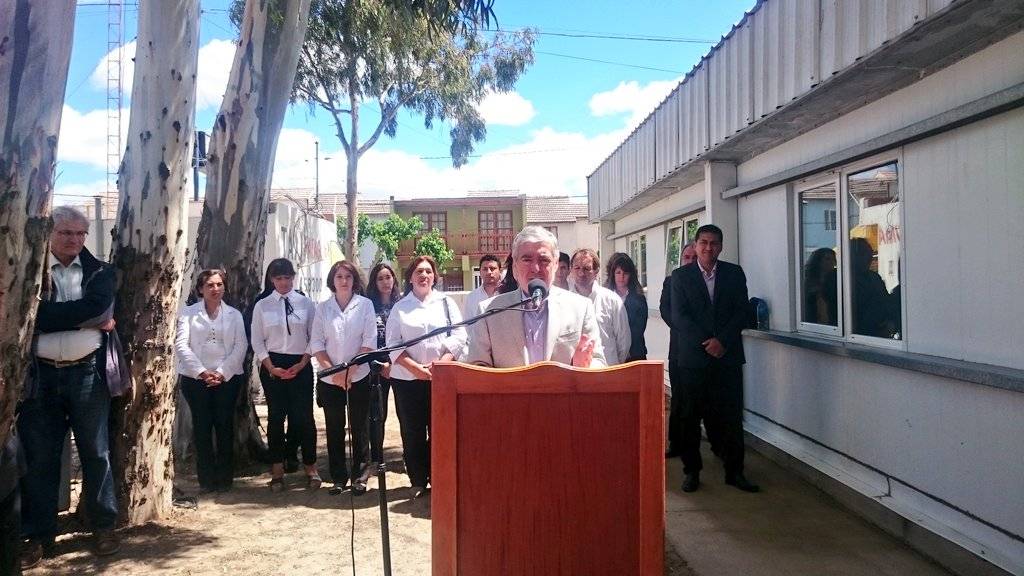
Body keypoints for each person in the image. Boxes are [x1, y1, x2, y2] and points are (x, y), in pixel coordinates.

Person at [19, 206, 120, 568]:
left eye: (80, 233)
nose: (74, 240)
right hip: (40, 376)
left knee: (96, 453)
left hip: (87, 373)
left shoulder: (101, 271)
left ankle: (103, 526)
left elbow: (98, 309)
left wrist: (47, 318)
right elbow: (30, 314)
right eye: (65, 233)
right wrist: (83, 319)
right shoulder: (29, 270)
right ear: (49, 233)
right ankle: (38, 535)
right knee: (40, 458)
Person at [670, 224, 759, 493]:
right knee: (690, 418)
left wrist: (722, 341)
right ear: (696, 246)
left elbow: (741, 312)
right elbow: (679, 316)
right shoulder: (680, 277)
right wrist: (707, 342)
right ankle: (691, 472)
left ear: (721, 246)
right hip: (693, 359)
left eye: (714, 243)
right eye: (704, 242)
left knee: (731, 417)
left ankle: (735, 472)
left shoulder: (734, 273)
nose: (708, 248)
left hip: (726, 357)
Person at [385, 256, 468, 499]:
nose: (424, 276)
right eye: (419, 272)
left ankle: (439, 478)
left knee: (441, 430)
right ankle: (418, 480)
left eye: (428, 272)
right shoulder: (400, 307)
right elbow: (393, 344)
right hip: (407, 380)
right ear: (410, 277)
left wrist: (441, 364)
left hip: (440, 377)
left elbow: (460, 335)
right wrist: (415, 369)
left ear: (434, 276)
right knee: (412, 431)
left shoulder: (446, 303)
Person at [468, 226, 606, 369]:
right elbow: (476, 367)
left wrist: (584, 367)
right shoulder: (489, 311)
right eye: (527, 260)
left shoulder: (581, 308)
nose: (535, 268)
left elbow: (598, 362)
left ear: (555, 264)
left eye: (544, 260)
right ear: (515, 266)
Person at [175, 269, 247, 494]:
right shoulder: (188, 313)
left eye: (219, 284)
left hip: (228, 379)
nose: (215, 289)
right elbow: (181, 345)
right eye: (210, 285)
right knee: (202, 428)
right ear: (200, 289)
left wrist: (222, 373)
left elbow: (241, 346)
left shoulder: (234, 315)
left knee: (225, 426)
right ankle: (206, 480)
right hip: (196, 380)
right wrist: (202, 372)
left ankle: (225, 479)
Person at [250, 258, 319, 492]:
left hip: (300, 363)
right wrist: (270, 367)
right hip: (273, 364)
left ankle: (310, 466)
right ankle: (277, 469)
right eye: (279, 278)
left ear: (293, 278)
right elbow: (257, 340)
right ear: (272, 280)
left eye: (287, 278)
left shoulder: (305, 303)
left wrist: (302, 363)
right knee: (276, 418)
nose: (283, 282)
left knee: (304, 418)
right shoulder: (262, 305)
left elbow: (314, 336)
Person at [310, 261, 377, 495]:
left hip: (358, 376)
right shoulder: (323, 308)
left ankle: (360, 476)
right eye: (339, 276)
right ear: (333, 280)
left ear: (354, 280)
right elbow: (317, 343)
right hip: (331, 380)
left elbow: (369, 341)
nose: (344, 281)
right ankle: (338, 477)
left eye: (348, 276)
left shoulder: (365, 305)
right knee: (334, 428)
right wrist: (335, 372)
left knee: (360, 428)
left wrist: (350, 371)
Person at [662, 242, 698, 459]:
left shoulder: (708, 282)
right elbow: (666, 310)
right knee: (680, 398)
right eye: (687, 257)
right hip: (679, 350)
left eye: (695, 257)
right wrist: (686, 330)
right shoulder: (671, 281)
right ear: (681, 259)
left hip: (706, 351)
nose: (691, 261)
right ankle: (676, 443)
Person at [570, 248, 631, 365]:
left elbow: (624, 341)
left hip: (608, 370)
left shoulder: (612, 300)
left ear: (596, 271)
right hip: (576, 372)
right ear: (571, 270)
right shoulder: (564, 302)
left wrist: (613, 366)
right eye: (577, 268)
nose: (581, 273)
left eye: (587, 268)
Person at [365, 262, 401, 437]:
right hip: (376, 369)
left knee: (405, 414)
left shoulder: (402, 305)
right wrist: (380, 366)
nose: (385, 282)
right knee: (377, 416)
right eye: (380, 279)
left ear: (394, 279)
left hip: (401, 366)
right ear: (374, 282)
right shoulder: (368, 307)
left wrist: (393, 364)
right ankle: (376, 452)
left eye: (388, 277)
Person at [605, 252, 647, 362]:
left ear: (631, 275)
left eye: (625, 273)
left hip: (634, 354)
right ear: (613, 274)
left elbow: (638, 330)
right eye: (618, 272)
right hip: (610, 354)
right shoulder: (604, 297)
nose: (621, 277)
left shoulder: (639, 298)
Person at [803, 247, 838, 326]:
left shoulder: (837, 279)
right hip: (813, 324)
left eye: (833, 259)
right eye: (827, 259)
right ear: (818, 261)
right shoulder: (808, 281)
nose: (831, 262)